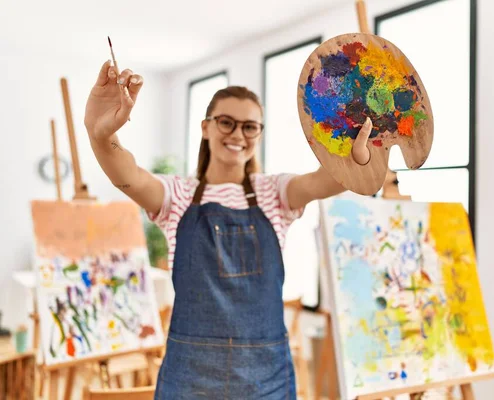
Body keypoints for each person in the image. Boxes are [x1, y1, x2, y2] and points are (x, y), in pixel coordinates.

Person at [84, 60, 372, 399]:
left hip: (265, 378)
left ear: (259, 135)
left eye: (249, 127)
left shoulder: (276, 193)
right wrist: (100, 132)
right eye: (226, 123)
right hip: (190, 376)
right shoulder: (176, 196)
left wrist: (360, 155)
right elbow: (126, 175)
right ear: (206, 128)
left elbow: (329, 179)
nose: (237, 134)